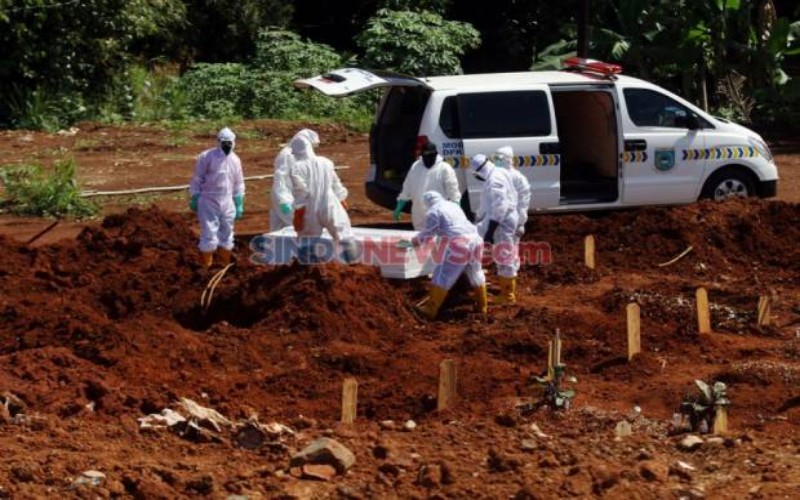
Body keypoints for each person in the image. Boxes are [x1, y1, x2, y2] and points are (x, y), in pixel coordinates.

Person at [401, 191, 487, 320]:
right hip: (476, 240)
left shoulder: (433, 212)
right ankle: (482, 306)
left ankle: (430, 309)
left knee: (443, 275)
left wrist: (410, 244)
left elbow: (427, 235)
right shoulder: (453, 206)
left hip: (459, 244)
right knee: (475, 272)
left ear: (427, 203)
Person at [288, 136, 354, 262]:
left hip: (310, 208)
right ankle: (353, 266)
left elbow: (301, 192)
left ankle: (308, 271)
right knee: (344, 234)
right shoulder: (326, 162)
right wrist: (341, 199)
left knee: (307, 239)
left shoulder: (296, 167)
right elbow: (336, 183)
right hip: (330, 203)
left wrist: (299, 212)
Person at [189, 127, 245, 268]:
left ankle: (223, 266)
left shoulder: (235, 160)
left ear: (233, 142)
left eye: (229, 142)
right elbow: (197, 178)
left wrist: (238, 202)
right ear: (218, 142)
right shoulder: (206, 157)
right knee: (209, 232)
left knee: (227, 232)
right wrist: (195, 196)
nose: (226, 145)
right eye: (224, 142)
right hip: (208, 199)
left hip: (227, 200)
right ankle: (206, 267)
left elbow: (239, 182)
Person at [469, 154, 519, 305]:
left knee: (504, 256)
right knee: (506, 254)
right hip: (502, 219)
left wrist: (489, 232)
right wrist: (478, 218)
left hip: (500, 222)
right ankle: (507, 290)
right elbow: (488, 204)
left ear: (480, 171)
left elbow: (499, 208)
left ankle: (508, 296)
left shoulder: (494, 180)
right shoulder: (499, 172)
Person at [394, 140, 460, 230]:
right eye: (425, 155)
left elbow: (453, 192)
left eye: (430, 155)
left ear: (436, 154)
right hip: (418, 217)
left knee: (436, 242)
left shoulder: (444, 168)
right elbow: (407, 188)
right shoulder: (415, 167)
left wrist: (457, 210)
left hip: (438, 218)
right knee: (420, 242)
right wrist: (399, 206)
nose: (428, 158)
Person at [270, 128, 320, 232]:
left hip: (290, 196)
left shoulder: (300, 154)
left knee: (280, 227)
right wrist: (283, 200)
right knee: (296, 225)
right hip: (286, 197)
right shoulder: (287, 155)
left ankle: (279, 247)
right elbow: (280, 178)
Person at [494, 146, 532, 273]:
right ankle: (503, 278)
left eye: (499, 158)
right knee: (499, 250)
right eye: (496, 158)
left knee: (509, 251)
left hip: (512, 222)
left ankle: (510, 282)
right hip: (498, 221)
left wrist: (521, 222)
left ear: (508, 159)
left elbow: (523, 201)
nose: (496, 160)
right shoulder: (495, 176)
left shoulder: (518, 178)